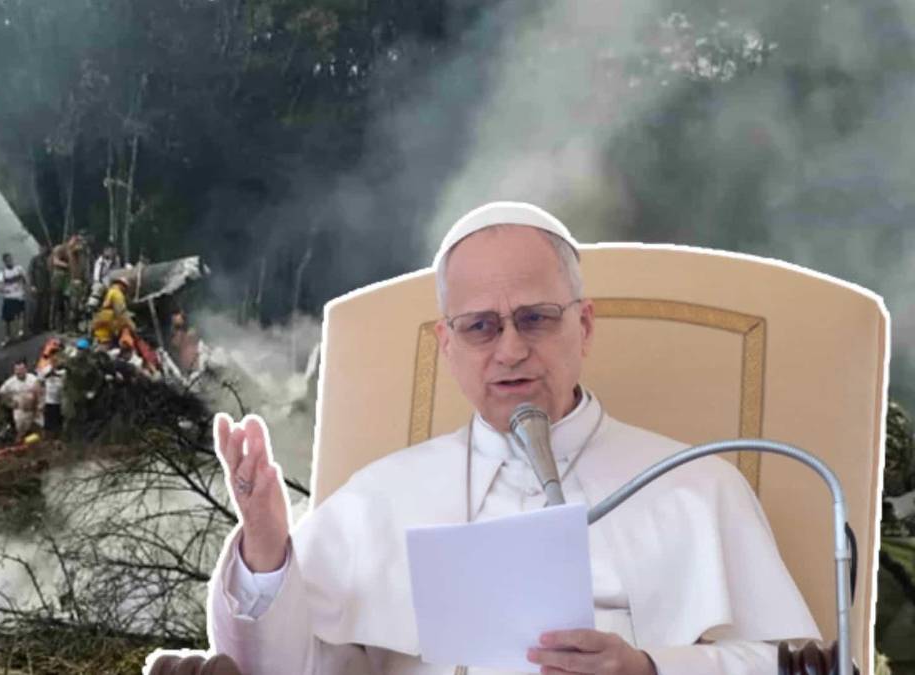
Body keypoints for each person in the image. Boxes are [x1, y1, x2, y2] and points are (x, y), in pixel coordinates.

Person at [206, 203, 818, 675]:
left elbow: (796, 667)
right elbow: (293, 670)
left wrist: (649, 668)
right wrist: (266, 550)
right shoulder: (380, 498)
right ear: (448, 347)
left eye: (535, 319)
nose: (511, 350)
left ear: (583, 325)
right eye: (480, 327)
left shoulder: (695, 485)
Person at [0, 360, 41, 439]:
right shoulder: (10, 382)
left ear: (26, 369)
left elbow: (39, 392)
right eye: (17, 370)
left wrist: (38, 407)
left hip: (33, 409)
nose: (19, 372)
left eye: (21, 369)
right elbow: (1, 393)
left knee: (37, 430)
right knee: (21, 432)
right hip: (20, 410)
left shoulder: (32, 379)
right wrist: (9, 403)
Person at [0, 252, 29, 346]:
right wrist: (3, 289)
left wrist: (27, 288)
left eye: (10, 259)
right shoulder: (2, 272)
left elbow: (26, 279)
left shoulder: (19, 269)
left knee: (21, 314)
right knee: (7, 319)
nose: (9, 261)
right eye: (7, 260)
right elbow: (0, 286)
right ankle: (8, 336)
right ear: (4, 262)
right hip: (9, 297)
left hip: (19, 296)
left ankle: (21, 332)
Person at [28, 241, 52, 334]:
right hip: (37, 287)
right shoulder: (35, 260)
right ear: (40, 249)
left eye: (45, 249)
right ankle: (33, 327)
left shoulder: (47, 260)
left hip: (45, 288)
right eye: (43, 249)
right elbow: (30, 272)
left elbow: (48, 274)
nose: (44, 250)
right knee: (35, 308)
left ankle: (42, 326)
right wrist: (32, 285)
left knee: (44, 308)